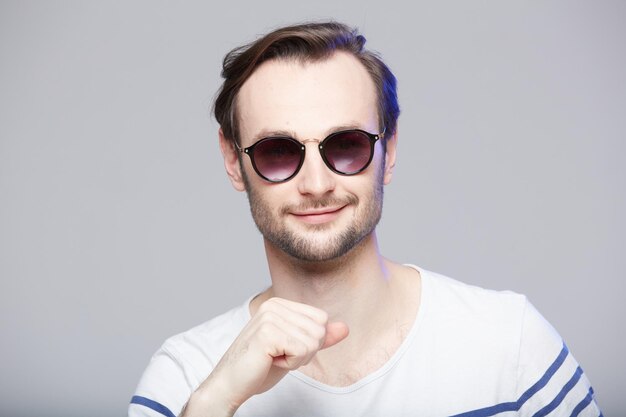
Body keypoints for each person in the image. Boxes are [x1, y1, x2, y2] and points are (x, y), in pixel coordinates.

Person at [129, 21, 602, 417]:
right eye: (278, 152)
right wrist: (217, 401)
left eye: (346, 146)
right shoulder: (186, 379)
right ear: (234, 162)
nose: (316, 184)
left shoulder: (511, 346)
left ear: (389, 151)